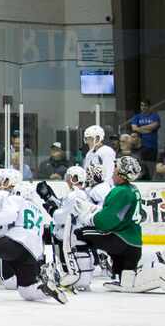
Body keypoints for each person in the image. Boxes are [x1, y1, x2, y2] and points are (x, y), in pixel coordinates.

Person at [0, 181, 66, 303]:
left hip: (16, 242)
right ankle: (45, 289)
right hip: (32, 253)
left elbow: (9, 214)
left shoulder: (16, 199)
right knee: (26, 291)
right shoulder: (38, 211)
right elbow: (40, 235)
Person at [74, 156, 164, 292]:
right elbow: (118, 215)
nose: (113, 174)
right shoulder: (132, 189)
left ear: (121, 176)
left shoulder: (121, 191)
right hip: (134, 246)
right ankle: (125, 277)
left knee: (80, 234)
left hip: (122, 243)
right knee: (125, 278)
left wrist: (89, 218)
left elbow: (106, 221)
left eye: (115, 171)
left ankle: (79, 275)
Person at [37, 165, 93, 290]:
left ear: (74, 178)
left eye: (68, 177)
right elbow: (66, 208)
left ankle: (53, 269)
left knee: (47, 233)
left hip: (70, 234)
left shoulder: (74, 195)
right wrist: (50, 197)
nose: (66, 180)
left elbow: (62, 217)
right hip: (79, 234)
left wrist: (52, 210)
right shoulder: (82, 194)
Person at [131, 99, 160, 176]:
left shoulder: (154, 116)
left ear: (149, 107)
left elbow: (155, 125)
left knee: (151, 167)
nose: (143, 107)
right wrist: (147, 130)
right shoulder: (137, 117)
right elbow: (134, 128)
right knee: (141, 167)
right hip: (140, 147)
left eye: (145, 105)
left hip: (152, 146)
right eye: (142, 105)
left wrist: (140, 128)